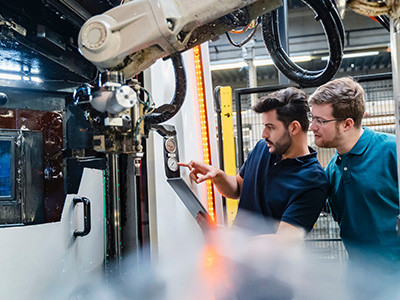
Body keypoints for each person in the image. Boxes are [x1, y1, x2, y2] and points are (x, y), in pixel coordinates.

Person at [179, 87, 329, 237]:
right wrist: (218, 176)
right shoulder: (262, 149)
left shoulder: (313, 180)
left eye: (270, 127)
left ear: (294, 128)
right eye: (264, 127)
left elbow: (282, 242)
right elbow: (237, 188)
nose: (264, 134)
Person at [308, 77, 400, 293]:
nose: (312, 126)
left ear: (347, 124)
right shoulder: (333, 168)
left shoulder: (392, 151)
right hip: (360, 283)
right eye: (313, 118)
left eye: (321, 121)